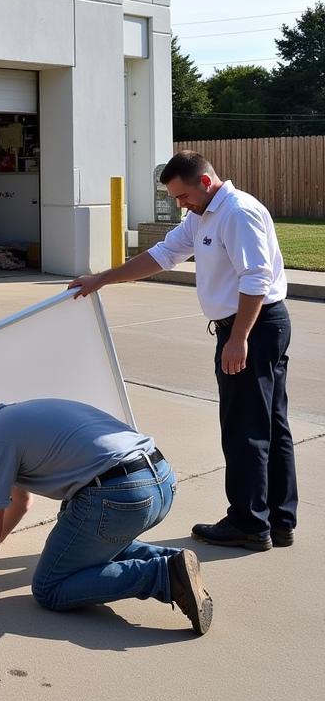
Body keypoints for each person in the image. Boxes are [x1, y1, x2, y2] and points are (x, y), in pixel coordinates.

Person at [68, 150, 296, 552]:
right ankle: (277, 521)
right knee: (267, 425)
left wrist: (238, 337)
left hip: (253, 327)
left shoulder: (237, 212)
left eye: (182, 195)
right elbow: (162, 256)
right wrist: (102, 279)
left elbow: (256, 278)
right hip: (254, 327)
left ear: (205, 182)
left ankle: (248, 523)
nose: (180, 204)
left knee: (246, 429)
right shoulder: (202, 216)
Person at [0, 398, 213, 636]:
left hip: (118, 496)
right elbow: (21, 502)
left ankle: (163, 576)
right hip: (161, 481)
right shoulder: (20, 417)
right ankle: (174, 562)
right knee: (82, 526)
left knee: (49, 588)